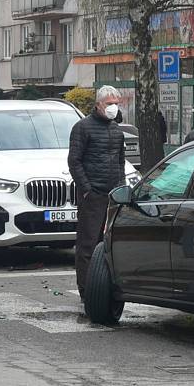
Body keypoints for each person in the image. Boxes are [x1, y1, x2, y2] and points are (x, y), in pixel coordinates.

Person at [68, 85, 125, 301]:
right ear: (99, 104)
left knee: (108, 245)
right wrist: (87, 190)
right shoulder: (82, 128)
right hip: (92, 196)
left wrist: (121, 186)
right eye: (109, 104)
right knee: (88, 245)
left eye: (116, 104)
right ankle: (86, 292)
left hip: (112, 197)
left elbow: (120, 161)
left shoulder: (116, 130)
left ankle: (106, 288)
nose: (113, 108)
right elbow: (74, 161)